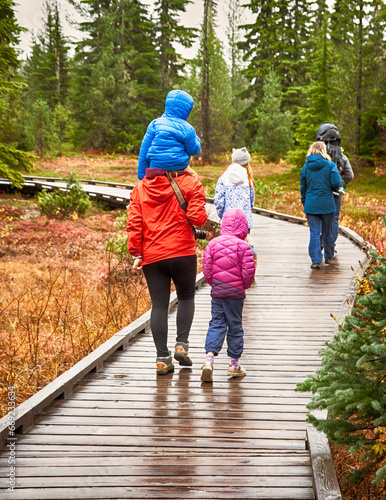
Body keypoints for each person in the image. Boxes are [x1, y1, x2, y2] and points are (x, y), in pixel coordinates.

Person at [127, 166, 207, 375]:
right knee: (187, 297)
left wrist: (136, 252)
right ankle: (182, 345)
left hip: (153, 256)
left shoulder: (140, 188)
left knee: (159, 305)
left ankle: (162, 359)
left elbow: (135, 223)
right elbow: (198, 219)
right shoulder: (190, 183)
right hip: (183, 252)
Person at [201, 208, 256, 383]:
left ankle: (209, 359)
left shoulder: (212, 244)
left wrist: (215, 284)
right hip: (235, 294)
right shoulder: (244, 247)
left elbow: (207, 270)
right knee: (235, 326)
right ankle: (234, 364)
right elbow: (249, 273)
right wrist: (243, 287)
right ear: (243, 227)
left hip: (217, 292)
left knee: (216, 323)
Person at [137, 89, 201, 180]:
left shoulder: (155, 124)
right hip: (177, 170)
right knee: (194, 181)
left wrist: (141, 175)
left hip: (155, 170)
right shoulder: (188, 129)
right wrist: (197, 140)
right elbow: (193, 150)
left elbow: (144, 150)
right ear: (187, 109)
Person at [300, 141, 341, 269]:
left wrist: (305, 202)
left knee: (314, 232)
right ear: (323, 150)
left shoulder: (306, 167)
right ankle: (329, 256)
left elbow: (303, 188)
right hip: (327, 204)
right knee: (327, 231)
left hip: (311, 205)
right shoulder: (330, 165)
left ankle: (316, 260)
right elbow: (336, 183)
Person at [315, 122, 354, 249]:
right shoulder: (342, 157)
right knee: (334, 219)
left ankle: (321, 241)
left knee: (319, 217)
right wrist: (342, 184)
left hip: (320, 193)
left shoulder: (316, 157)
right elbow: (350, 175)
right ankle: (330, 245)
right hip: (336, 193)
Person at [214, 147, 255, 232]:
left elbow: (218, 201)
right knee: (243, 245)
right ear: (246, 163)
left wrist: (224, 216)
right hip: (245, 222)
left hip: (228, 222)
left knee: (228, 244)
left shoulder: (223, 179)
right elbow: (251, 202)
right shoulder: (248, 180)